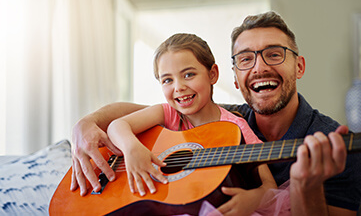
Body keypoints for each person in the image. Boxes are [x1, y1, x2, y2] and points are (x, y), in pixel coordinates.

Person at [70, 11, 361, 215]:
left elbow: (269, 188)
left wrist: (302, 187)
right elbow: (126, 117)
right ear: (234, 79)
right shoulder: (213, 115)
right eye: (246, 59)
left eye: (274, 54)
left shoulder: (337, 146)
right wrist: (87, 124)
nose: (259, 68)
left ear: (299, 67)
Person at [105, 33, 283, 215]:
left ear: (212, 74)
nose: (178, 87)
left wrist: (253, 199)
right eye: (167, 80)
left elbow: (269, 185)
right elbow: (116, 126)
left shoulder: (235, 127)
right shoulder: (168, 113)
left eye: (188, 74)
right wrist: (131, 147)